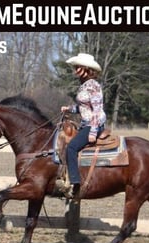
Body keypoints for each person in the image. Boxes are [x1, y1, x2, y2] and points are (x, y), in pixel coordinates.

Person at [60, 53, 106, 198]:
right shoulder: (84, 85)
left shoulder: (93, 86)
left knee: (72, 147)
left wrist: (93, 131)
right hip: (86, 123)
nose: (75, 71)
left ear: (86, 69)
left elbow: (97, 110)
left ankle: (75, 183)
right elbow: (83, 108)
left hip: (94, 124)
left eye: (77, 68)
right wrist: (69, 109)